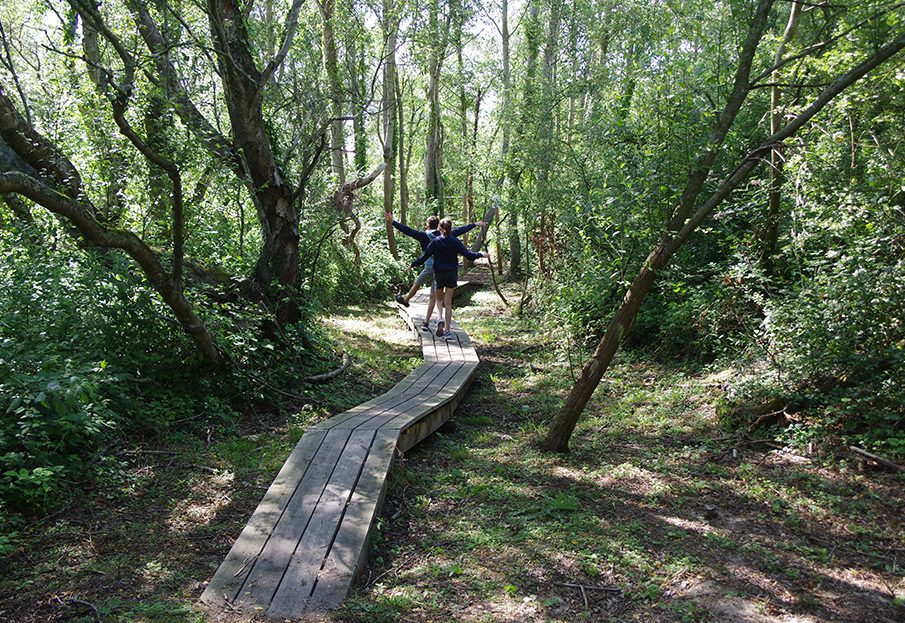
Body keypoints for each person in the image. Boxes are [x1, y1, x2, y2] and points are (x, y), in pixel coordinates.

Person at [385, 211, 484, 331]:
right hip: (441, 269)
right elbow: (461, 230)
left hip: (429, 267)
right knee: (434, 298)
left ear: (428, 225)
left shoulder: (423, 236)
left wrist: (393, 221)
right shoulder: (446, 233)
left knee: (417, 284)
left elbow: (408, 231)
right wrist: (475, 224)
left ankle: (406, 300)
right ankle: (427, 322)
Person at [411, 217, 490, 340]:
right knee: (448, 303)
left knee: (438, 301)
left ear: (440, 228)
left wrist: (412, 264)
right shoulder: (455, 241)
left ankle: (439, 319)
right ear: (450, 228)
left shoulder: (435, 242)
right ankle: (447, 332)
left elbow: (424, 258)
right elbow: (468, 255)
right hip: (452, 274)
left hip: (439, 274)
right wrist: (481, 254)